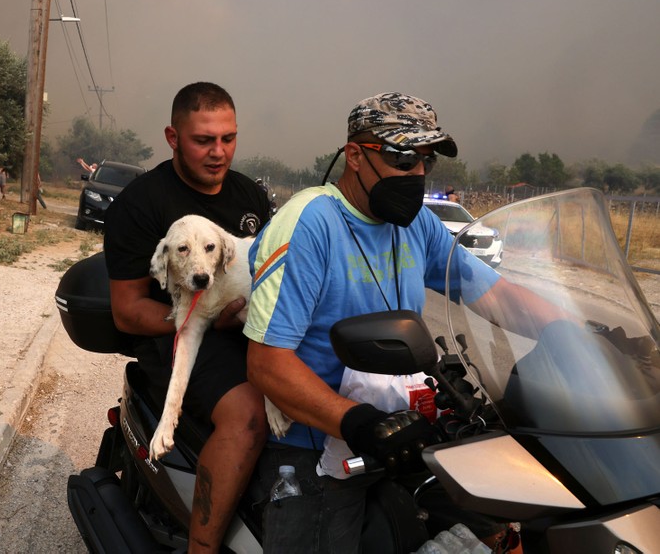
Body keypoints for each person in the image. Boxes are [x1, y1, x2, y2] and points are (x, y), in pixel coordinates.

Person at [244, 92, 564, 552]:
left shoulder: (414, 224)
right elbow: (267, 363)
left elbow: (497, 295)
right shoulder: (309, 224)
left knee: (497, 527)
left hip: (404, 431)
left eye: (424, 162)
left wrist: (578, 334)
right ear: (354, 155)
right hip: (318, 443)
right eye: (400, 157)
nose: (415, 174)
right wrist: (358, 423)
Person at [104, 81, 271, 553]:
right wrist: (203, 320)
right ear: (173, 138)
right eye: (203, 140)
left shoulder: (251, 199)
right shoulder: (140, 205)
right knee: (249, 415)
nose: (219, 152)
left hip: (246, 330)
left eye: (228, 138)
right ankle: (203, 547)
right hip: (176, 341)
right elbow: (128, 309)